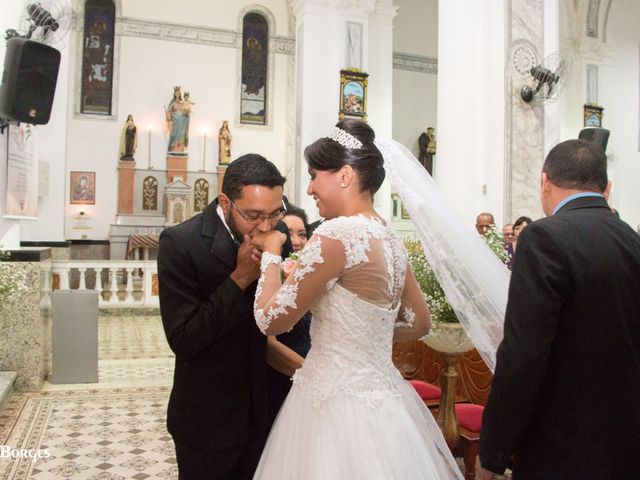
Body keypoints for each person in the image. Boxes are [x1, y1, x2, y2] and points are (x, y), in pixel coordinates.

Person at [250, 119, 463, 479]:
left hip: (332, 407)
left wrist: (272, 253)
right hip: (385, 402)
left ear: (345, 175)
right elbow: (419, 322)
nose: (311, 187)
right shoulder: (390, 238)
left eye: (315, 174)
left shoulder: (337, 234)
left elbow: (271, 320)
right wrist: (363, 335)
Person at [477, 139, 640, 479]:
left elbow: (523, 356)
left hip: (562, 443)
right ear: (607, 188)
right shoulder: (631, 241)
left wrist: (493, 451)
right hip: (626, 441)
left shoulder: (544, 237)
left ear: (544, 182)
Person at [157, 154, 293, 480]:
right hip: (207, 420)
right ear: (225, 202)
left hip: (262, 411)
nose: (265, 226)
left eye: (275, 213)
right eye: (253, 215)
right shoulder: (181, 243)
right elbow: (185, 339)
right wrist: (241, 277)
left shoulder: (279, 234)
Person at [266, 202, 312, 424]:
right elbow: (269, 346)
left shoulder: (313, 274)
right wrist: (315, 376)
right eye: (288, 233)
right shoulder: (267, 279)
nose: (296, 241)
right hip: (281, 381)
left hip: (313, 380)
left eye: (302, 234)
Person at [166, 86, 189, 154]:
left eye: (178, 93)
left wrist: (186, 113)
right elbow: (169, 111)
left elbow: (185, 110)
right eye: (176, 93)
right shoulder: (172, 101)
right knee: (175, 133)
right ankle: (174, 147)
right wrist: (169, 118)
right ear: (174, 94)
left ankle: (180, 148)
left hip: (182, 120)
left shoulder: (182, 102)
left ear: (180, 94)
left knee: (181, 133)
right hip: (175, 120)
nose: (177, 94)